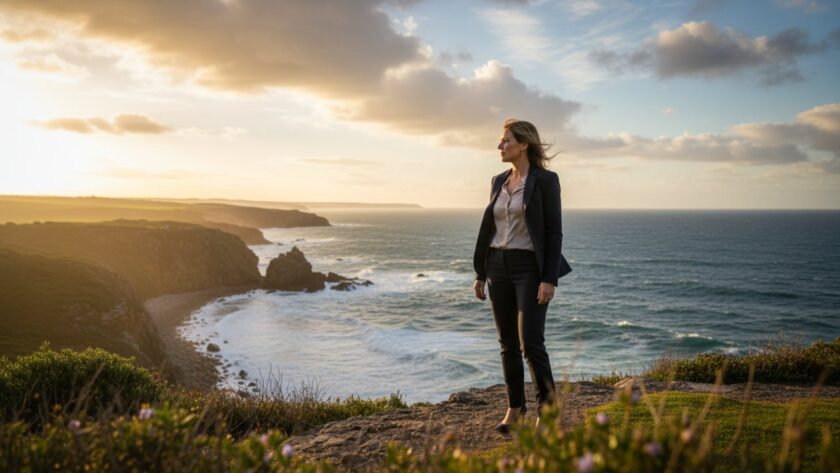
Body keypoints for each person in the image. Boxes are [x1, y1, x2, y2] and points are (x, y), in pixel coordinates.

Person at [472, 118, 572, 434]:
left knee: (531, 342)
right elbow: (491, 228)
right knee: (507, 344)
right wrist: (480, 272)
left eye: (506, 141)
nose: (500, 146)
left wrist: (549, 279)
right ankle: (515, 408)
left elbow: (554, 232)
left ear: (523, 144)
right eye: (501, 142)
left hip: (530, 269)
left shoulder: (545, 181)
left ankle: (548, 410)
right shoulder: (498, 180)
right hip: (497, 267)